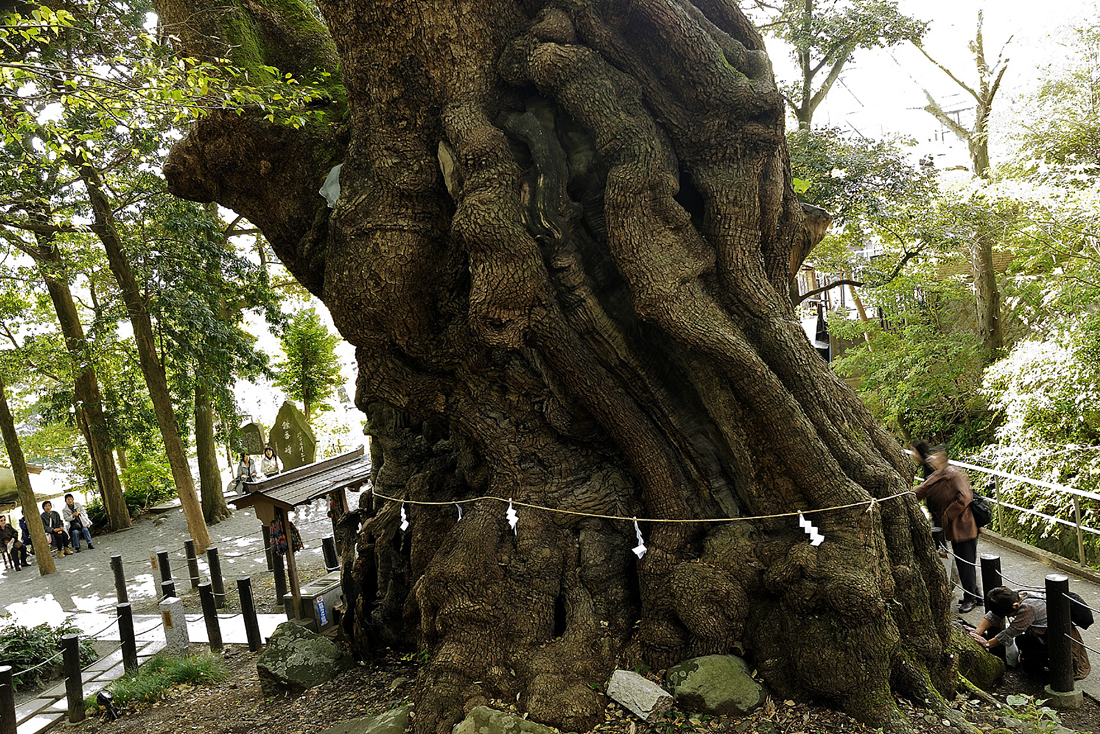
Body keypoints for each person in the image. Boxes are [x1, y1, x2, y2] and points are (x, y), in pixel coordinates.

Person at [912, 442, 981, 613]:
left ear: (943, 458)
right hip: (954, 527)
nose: (932, 458)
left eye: (936, 455)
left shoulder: (954, 475)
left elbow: (965, 497)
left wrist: (947, 515)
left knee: (965, 562)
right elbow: (921, 490)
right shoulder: (937, 475)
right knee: (963, 560)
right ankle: (975, 594)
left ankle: (971, 598)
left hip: (964, 526)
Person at [972, 586, 1090, 680]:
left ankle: (1048, 676)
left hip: (1054, 636)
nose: (1008, 617)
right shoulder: (1014, 595)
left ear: (1015, 606)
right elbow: (995, 614)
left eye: (1009, 615)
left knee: (1024, 645)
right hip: (1040, 631)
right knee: (1024, 643)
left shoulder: (1027, 608)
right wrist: (978, 632)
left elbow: (1011, 632)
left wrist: (987, 644)